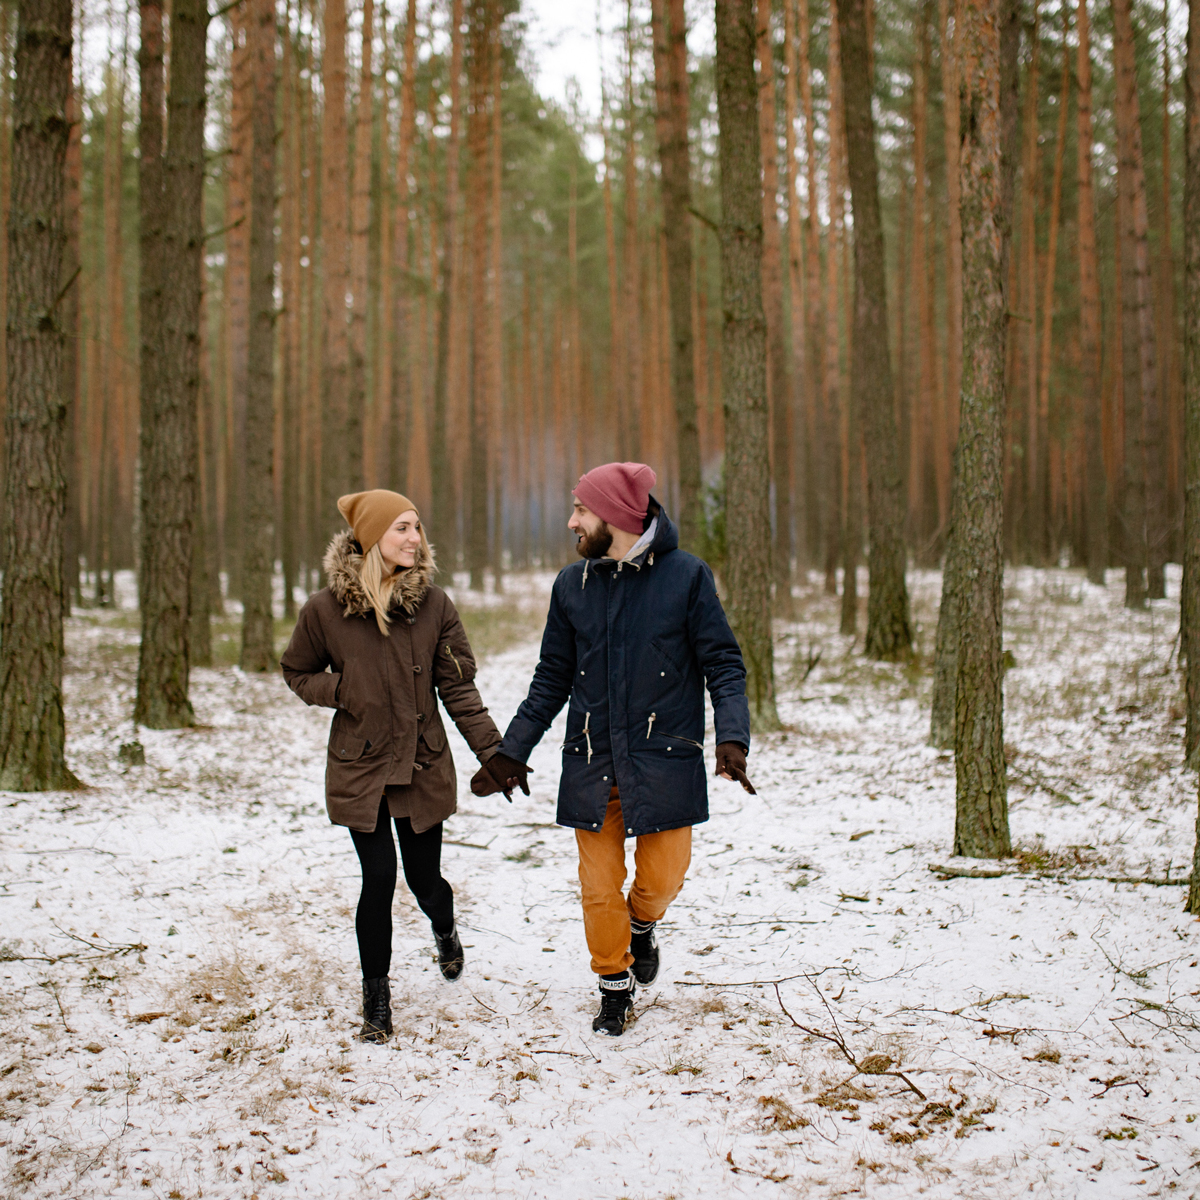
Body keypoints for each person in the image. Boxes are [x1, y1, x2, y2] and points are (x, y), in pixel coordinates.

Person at [471, 463, 755, 1037]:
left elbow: (723, 664)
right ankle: (614, 984)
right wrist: (510, 751)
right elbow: (551, 679)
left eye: (580, 509)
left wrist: (731, 736)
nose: (570, 520)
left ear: (615, 517)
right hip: (592, 760)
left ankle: (644, 924)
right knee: (598, 888)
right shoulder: (571, 586)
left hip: (664, 757)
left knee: (664, 877)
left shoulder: (687, 577)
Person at [281, 490, 504, 1043]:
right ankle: (375, 1000)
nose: (414, 538)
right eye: (402, 527)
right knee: (378, 879)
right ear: (371, 536)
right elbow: (296, 671)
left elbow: (459, 689)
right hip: (361, 767)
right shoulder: (324, 610)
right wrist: (342, 689)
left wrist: (495, 754)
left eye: (417, 527)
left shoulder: (435, 605)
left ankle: (444, 928)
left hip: (423, 764)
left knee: (425, 880)